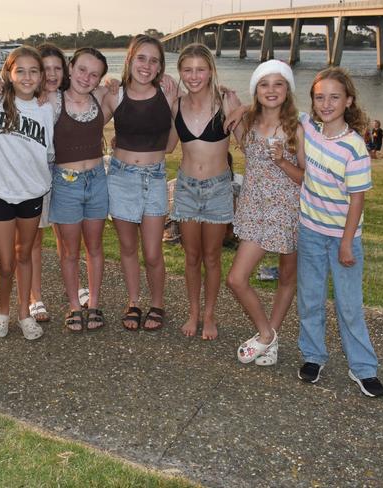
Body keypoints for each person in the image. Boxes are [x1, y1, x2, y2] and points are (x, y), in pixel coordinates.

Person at [296, 67, 383, 397]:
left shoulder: (354, 147)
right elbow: (270, 106)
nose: (326, 103)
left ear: (348, 101)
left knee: (349, 305)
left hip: (343, 237)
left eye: (334, 97)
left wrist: (347, 242)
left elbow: (357, 200)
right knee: (310, 299)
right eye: (320, 97)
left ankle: (363, 368)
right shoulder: (307, 126)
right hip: (309, 232)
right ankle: (313, 356)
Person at [0, 46, 54, 341]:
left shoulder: (47, 107)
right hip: (0, 194)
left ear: (42, 76)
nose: (27, 77)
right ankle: (2, 310)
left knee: (25, 254)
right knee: (5, 262)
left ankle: (24, 312)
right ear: (9, 73)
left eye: (34, 71)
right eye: (20, 71)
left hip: (32, 193)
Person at [225, 59, 305, 365]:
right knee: (236, 278)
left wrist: (282, 161)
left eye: (278, 83)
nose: (271, 90)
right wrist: (238, 107)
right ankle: (266, 333)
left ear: (287, 89)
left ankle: (270, 340)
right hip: (255, 211)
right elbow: (246, 149)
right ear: (256, 90)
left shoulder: (296, 127)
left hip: (287, 212)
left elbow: (305, 178)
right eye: (264, 84)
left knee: (287, 277)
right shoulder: (249, 123)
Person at [101, 34, 178, 331]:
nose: (146, 65)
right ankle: (134, 302)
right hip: (120, 177)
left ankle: (157, 304)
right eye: (141, 58)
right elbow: (87, 117)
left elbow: (172, 143)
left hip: (155, 177)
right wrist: (101, 85)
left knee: (154, 251)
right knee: (128, 247)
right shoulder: (114, 95)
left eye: (154, 60)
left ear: (160, 67)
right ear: (130, 60)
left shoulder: (168, 95)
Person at [168, 44, 237, 340]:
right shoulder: (177, 104)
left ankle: (209, 316)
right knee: (191, 256)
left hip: (218, 188)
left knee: (212, 257)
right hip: (185, 187)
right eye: (187, 70)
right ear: (180, 73)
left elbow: (247, 142)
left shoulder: (226, 103)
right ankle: (193, 313)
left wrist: (243, 109)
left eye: (200, 69)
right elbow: (169, 146)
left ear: (210, 71)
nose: (194, 76)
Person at [48, 47, 113, 332]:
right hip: (66, 183)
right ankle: (74, 305)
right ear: (70, 68)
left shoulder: (100, 98)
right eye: (82, 69)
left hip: (97, 179)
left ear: (99, 80)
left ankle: (94, 302)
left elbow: (140, 91)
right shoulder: (51, 100)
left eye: (95, 74)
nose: (87, 77)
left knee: (95, 247)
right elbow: (15, 95)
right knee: (70, 251)